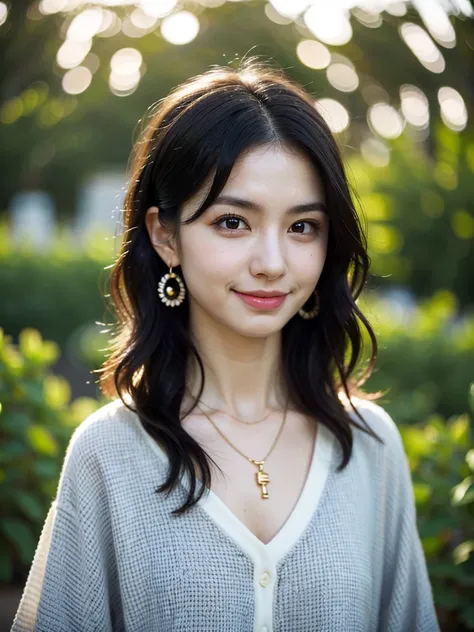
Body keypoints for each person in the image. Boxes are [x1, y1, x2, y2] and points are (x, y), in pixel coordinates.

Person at [11, 58, 440, 632]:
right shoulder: (109, 454)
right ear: (166, 235)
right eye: (233, 222)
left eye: (302, 227)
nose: (271, 263)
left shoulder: (369, 448)